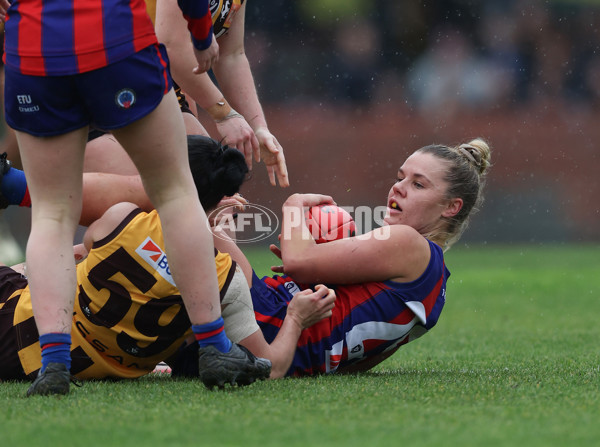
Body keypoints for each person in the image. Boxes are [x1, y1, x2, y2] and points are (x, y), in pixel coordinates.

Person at [2, 137, 492, 376]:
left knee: (171, 187)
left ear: (451, 208)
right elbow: (327, 311)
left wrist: (295, 208)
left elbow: (298, 265)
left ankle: (18, 187)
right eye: (401, 175)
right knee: (161, 200)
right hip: (264, 327)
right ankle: (35, 247)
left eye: (417, 183)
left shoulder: (409, 245)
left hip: (258, 336)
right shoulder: (430, 278)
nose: (398, 187)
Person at [0, 0, 265, 396]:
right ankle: (214, 346)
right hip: (115, 37)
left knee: (53, 213)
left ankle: (54, 364)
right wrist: (200, 29)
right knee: (176, 192)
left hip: (35, 48)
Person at [0, 136, 335, 385]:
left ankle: (12, 183)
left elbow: (75, 254)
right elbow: (271, 367)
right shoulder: (226, 279)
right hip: (81, 366)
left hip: (20, 326)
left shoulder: (121, 220)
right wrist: (295, 318)